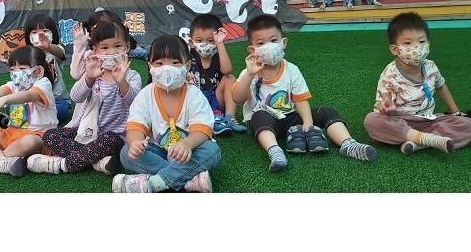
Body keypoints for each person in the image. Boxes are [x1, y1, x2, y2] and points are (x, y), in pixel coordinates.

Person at [231, 15, 377, 172]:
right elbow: (237, 98)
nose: (269, 47)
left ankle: (348, 144)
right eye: (261, 43)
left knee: (327, 112)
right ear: (252, 50)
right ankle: (275, 151)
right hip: (267, 121)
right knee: (259, 116)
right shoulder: (249, 73)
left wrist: (308, 123)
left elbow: (300, 99)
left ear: (283, 43)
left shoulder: (291, 70)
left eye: (273, 41)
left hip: (292, 118)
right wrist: (249, 74)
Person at [27, 20, 142, 176]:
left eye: (117, 46)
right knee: (50, 135)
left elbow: (134, 104)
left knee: (109, 139)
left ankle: (62, 164)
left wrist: (122, 83)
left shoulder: (132, 76)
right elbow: (76, 97)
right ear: (95, 50)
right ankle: (97, 161)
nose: (111, 52)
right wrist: (88, 78)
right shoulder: (94, 72)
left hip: (115, 137)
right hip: (85, 132)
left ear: (127, 47)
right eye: (105, 48)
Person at [112, 35, 222, 193]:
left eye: (175, 63)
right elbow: (135, 126)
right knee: (126, 153)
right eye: (159, 63)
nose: (167, 68)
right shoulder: (145, 95)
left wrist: (187, 144)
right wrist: (135, 143)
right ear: (150, 66)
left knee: (212, 150)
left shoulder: (194, 95)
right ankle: (187, 180)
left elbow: (203, 129)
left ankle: (155, 182)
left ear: (187, 66)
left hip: (188, 153)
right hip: (157, 153)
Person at [364, 12, 471, 155]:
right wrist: (387, 110)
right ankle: (427, 139)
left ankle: (420, 143)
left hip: (429, 120)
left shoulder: (431, 66)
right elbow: (383, 107)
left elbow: (441, 86)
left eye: (421, 42)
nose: (417, 48)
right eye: (408, 43)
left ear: (428, 44)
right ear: (394, 49)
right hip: (401, 120)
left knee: (467, 124)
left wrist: (455, 112)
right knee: (372, 120)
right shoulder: (389, 74)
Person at [0, 45, 58, 177]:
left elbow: (28, 95)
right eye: (13, 69)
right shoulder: (14, 85)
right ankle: (2, 161)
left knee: (30, 141)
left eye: (22, 69)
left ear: (38, 71)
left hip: (39, 136)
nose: (16, 73)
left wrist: (4, 99)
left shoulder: (43, 84)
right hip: (11, 133)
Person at [188, 13, 245, 135]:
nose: (205, 44)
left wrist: (220, 44)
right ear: (191, 42)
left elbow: (227, 70)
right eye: (199, 40)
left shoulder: (218, 57)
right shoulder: (188, 58)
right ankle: (204, 119)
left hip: (216, 99)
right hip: (196, 101)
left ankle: (230, 117)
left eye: (210, 40)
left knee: (229, 78)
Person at [25, 14, 71, 123]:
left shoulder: (55, 51)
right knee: (11, 106)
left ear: (53, 33)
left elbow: (60, 53)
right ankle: (39, 117)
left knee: (61, 110)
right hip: (33, 99)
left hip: (56, 100)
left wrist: (48, 46)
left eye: (45, 31)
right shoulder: (26, 54)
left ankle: (33, 118)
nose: (40, 35)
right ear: (28, 36)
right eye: (34, 32)